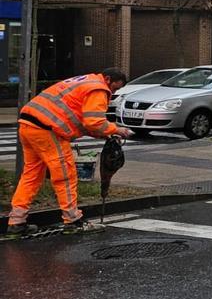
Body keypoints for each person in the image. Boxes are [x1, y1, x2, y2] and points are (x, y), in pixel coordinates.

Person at [5, 68, 132, 237]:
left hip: (28, 126)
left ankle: (16, 222)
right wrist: (118, 130)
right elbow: (94, 122)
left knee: (31, 176)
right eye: (115, 88)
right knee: (65, 175)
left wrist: (105, 133)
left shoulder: (83, 81)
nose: (113, 92)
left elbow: (82, 121)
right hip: (49, 130)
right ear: (108, 79)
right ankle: (72, 221)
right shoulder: (99, 88)